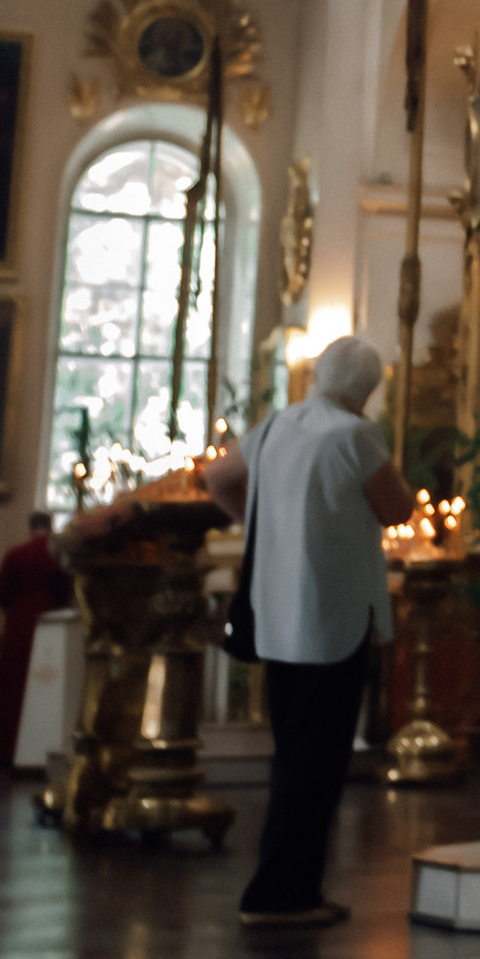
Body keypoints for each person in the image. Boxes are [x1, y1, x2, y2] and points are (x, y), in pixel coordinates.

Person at [204, 334, 409, 928]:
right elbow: (397, 510)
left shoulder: (275, 426)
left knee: (292, 753)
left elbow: (219, 480)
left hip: (274, 614)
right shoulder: (356, 435)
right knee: (317, 762)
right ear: (369, 389)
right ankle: (283, 893)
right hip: (332, 616)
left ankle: (282, 885)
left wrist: (271, 522)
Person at [0, 509, 70, 772]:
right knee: (48, 686)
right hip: (50, 623)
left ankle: (3, 750)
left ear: (31, 528)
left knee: (12, 686)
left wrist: (16, 608)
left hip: (19, 625)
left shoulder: (15, 554)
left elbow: (1, 594)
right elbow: (66, 591)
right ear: (51, 528)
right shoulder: (58, 555)